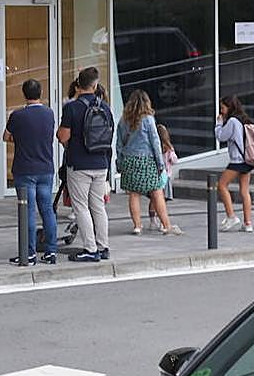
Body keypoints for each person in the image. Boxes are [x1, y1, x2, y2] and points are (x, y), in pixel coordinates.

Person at [57, 66, 114, 262]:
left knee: (81, 207)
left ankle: (90, 249)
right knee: (98, 206)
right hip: (101, 163)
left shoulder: (72, 107)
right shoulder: (105, 107)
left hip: (79, 163)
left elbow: (63, 135)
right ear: (95, 85)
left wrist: (68, 145)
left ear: (78, 85)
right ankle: (103, 246)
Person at [4, 79, 57, 265]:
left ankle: (29, 254)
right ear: (40, 93)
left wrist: (20, 139)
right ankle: (51, 252)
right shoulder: (49, 113)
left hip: (25, 169)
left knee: (28, 211)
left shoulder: (17, 115)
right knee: (47, 210)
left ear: (24, 94)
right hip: (46, 169)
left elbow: (6, 137)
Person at [115, 90, 181, 236]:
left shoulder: (123, 121)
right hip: (147, 161)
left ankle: (137, 226)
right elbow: (155, 143)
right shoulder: (148, 119)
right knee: (157, 192)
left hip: (129, 160)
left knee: (134, 194)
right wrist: (160, 164)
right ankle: (166, 225)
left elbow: (119, 144)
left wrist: (119, 163)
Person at [215, 95, 254, 232]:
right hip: (248, 160)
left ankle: (231, 216)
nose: (221, 111)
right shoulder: (243, 119)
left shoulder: (232, 121)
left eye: (222, 108)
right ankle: (248, 223)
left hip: (237, 160)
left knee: (221, 185)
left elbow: (221, 136)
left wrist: (219, 124)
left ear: (229, 107)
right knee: (244, 191)